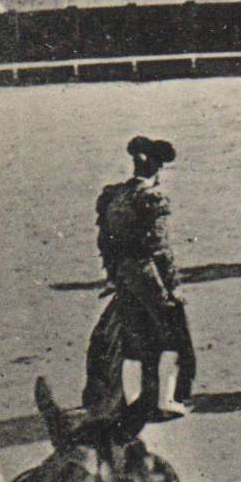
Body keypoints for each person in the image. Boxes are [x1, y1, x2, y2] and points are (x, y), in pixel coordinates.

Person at [87, 136, 194, 419]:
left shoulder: (113, 195)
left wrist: (114, 274)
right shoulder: (152, 198)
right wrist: (172, 287)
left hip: (122, 272)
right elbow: (161, 249)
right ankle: (165, 400)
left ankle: (133, 403)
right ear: (158, 168)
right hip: (147, 272)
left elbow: (104, 241)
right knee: (171, 334)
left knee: (133, 339)